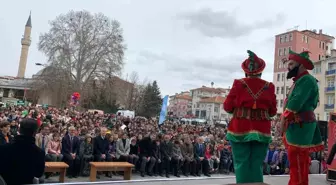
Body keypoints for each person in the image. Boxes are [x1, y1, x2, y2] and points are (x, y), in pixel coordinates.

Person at [224, 50, 277, 183]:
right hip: (262, 129)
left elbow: (227, 107)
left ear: (246, 70)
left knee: (241, 161)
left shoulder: (238, 83)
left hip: (240, 127)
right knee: (257, 162)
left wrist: (239, 106)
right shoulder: (269, 86)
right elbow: (273, 111)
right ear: (261, 71)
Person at [280, 50, 323, 185]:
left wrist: (283, 119)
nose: (289, 67)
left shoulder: (306, 80)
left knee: (298, 160)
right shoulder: (301, 80)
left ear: (302, 65)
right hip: (298, 125)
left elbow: (295, 103)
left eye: (292, 64)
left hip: (301, 125)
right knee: (297, 162)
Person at [0, 118, 45, 185]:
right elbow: (38, 174)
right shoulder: (39, 152)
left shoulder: (4, 148)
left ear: (19, 129)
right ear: (36, 132)